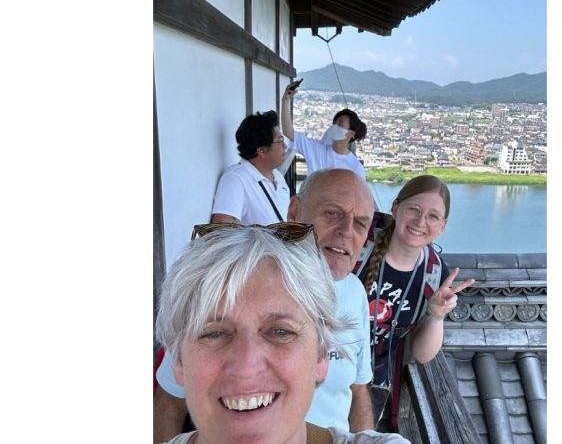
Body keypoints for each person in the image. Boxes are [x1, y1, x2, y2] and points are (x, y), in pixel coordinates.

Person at [154, 169, 377, 442]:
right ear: (294, 211)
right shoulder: (220, 286)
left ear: (322, 354)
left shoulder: (356, 293)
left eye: (361, 223)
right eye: (332, 213)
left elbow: (358, 388)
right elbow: (170, 401)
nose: (346, 231)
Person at [352, 175, 476, 431]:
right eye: (414, 210)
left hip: (372, 384)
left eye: (433, 216)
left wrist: (436, 315)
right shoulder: (359, 245)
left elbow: (421, 354)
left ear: (442, 226)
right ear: (396, 208)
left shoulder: (434, 275)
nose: (420, 222)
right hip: (327, 365)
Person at [210, 110, 290, 224]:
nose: (285, 146)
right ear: (261, 150)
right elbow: (221, 229)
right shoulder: (236, 179)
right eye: (280, 140)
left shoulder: (277, 176)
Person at [281, 83, 367, 179]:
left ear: (351, 133)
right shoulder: (317, 150)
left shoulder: (356, 168)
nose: (335, 127)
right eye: (334, 123)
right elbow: (288, 132)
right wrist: (285, 100)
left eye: (340, 124)